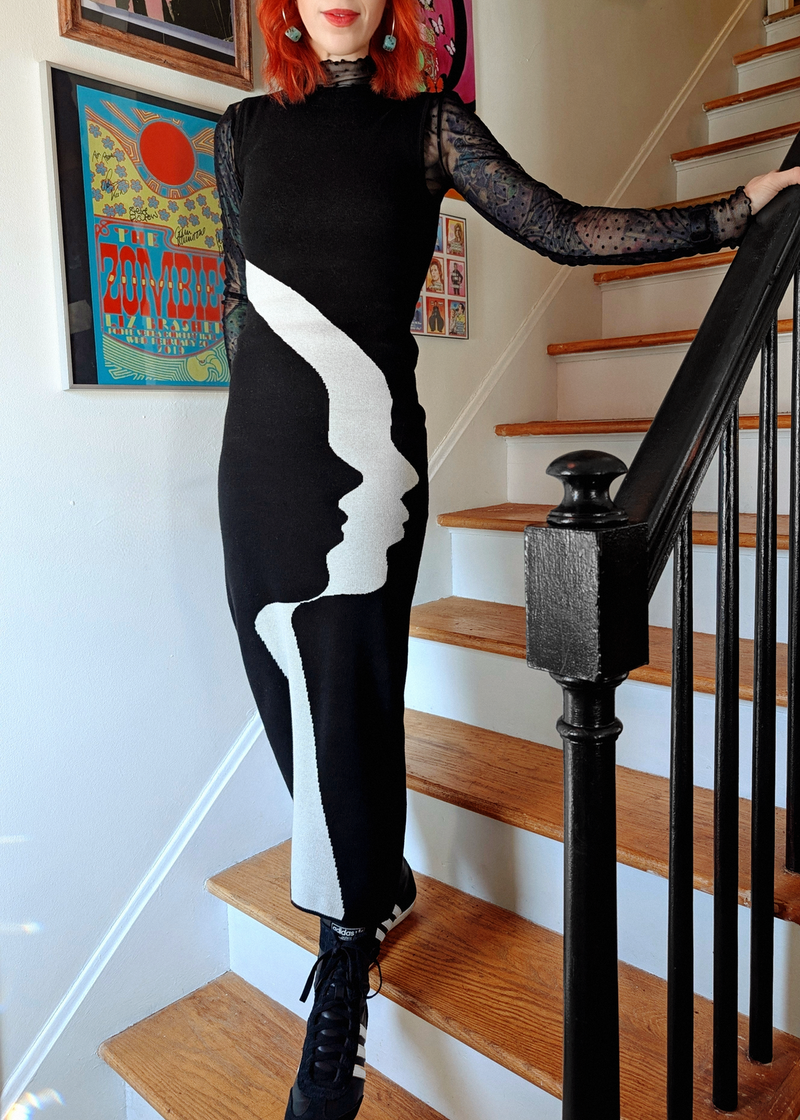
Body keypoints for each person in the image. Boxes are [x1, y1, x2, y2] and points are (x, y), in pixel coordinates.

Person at [213, 3, 800, 1117]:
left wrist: (735, 209)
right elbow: (242, 305)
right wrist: (243, 452)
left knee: (346, 691)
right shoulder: (238, 133)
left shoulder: (431, 128)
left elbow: (569, 229)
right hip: (258, 466)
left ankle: (342, 961)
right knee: (290, 697)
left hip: (367, 464)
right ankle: (375, 882)